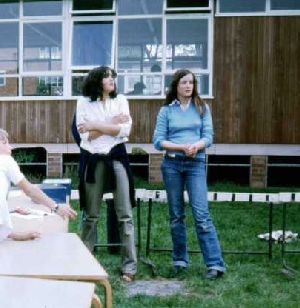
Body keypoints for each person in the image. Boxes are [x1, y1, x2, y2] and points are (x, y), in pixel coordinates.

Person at [0, 127, 77, 276]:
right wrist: (55, 207)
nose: (10, 147)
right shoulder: (3, 160)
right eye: (4, 143)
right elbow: (29, 190)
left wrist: (17, 235)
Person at [153, 69, 226, 280]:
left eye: (191, 83)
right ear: (176, 85)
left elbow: (208, 137)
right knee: (176, 215)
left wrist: (195, 146)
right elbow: (158, 141)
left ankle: (215, 264)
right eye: (184, 82)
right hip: (172, 165)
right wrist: (180, 147)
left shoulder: (202, 108)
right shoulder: (166, 111)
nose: (188, 86)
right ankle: (179, 261)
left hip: (196, 164)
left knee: (201, 213)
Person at [76, 66, 137, 282]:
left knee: (125, 213)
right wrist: (110, 123)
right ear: (96, 80)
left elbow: (125, 131)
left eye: (113, 77)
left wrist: (95, 125)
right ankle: (85, 264)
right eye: (107, 76)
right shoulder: (83, 102)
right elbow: (87, 136)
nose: (111, 80)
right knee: (91, 215)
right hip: (93, 160)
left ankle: (129, 267)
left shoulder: (121, 100)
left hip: (117, 157)